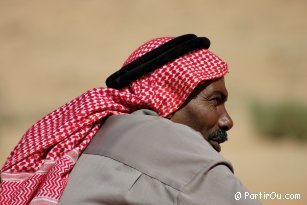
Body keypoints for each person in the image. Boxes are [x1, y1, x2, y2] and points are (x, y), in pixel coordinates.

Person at [0, 34, 261, 205]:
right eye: (215, 101)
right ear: (168, 98)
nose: (227, 120)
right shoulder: (174, 142)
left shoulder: (95, 135)